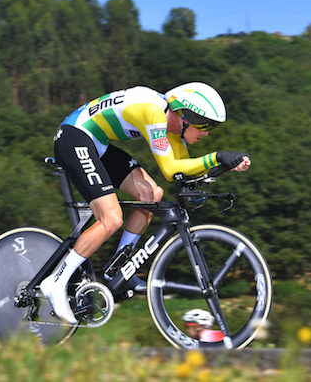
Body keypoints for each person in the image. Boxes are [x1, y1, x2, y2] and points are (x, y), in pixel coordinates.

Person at [40, 82, 251, 324]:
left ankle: (117, 269)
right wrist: (216, 156)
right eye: (206, 125)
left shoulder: (173, 129)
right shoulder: (153, 112)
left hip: (97, 144)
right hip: (74, 137)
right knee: (111, 218)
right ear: (186, 116)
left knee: (151, 195)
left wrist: (224, 166)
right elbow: (171, 168)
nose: (207, 133)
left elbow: (180, 174)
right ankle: (56, 281)